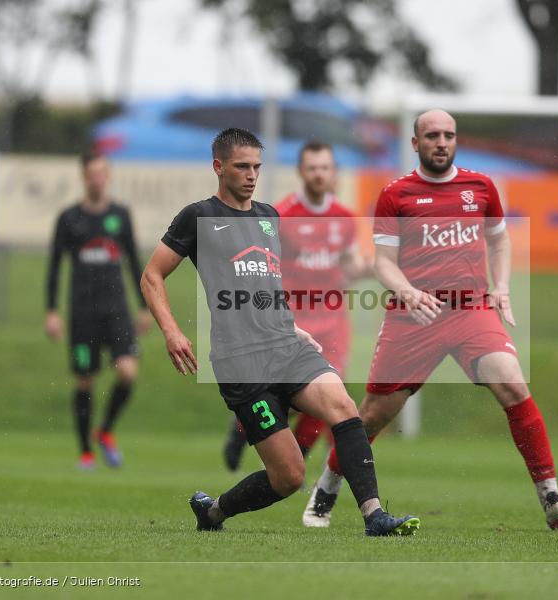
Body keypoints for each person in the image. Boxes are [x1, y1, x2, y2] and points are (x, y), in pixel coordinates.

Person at [303, 110, 558, 530]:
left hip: (471, 309)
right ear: (415, 144)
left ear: (456, 141)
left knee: (512, 382)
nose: (441, 142)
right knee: (372, 417)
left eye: (448, 135)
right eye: (431, 135)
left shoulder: (481, 187)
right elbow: (383, 264)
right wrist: (408, 292)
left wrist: (502, 284)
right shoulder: (396, 195)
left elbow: (499, 241)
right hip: (412, 317)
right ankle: (326, 490)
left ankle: (551, 498)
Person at [140, 127, 418, 536]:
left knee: (343, 406)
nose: (251, 175)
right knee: (288, 476)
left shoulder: (269, 217)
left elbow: (268, 283)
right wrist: (172, 332)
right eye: (242, 167)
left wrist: (293, 325)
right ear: (219, 167)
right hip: (241, 362)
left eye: (257, 166)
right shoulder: (198, 217)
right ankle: (214, 512)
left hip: (287, 346)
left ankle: (374, 516)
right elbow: (152, 275)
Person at [221, 140, 369, 475]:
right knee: (281, 397)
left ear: (334, 173)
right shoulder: (281, 215)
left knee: (328, 397)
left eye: (325, 167)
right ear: (302, 171)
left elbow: (346, 268)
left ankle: (297, 459)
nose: (319, 174)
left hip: (332, 321)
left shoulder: (344, 219)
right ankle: (241, 429)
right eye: (313, 167)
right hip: (292, 319)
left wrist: (371, 268)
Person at [45, 151, 151, 470]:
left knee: (128, 371)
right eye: (91, 174)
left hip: (116, 310)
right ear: (83, 177)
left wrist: (144, 306)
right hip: (82, 314)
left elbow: (134, 261)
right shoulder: (69, 218)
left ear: (109, 176)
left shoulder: (120, 214)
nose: (97, 179)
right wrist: (51, 311)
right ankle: (85, 452)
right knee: (85, 381)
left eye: (102, 173)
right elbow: (53, 267)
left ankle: (104, 431)